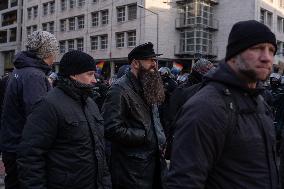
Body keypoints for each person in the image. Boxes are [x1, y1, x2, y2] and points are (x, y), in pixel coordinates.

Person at [167, 20, 279, 189]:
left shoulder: (259, 101)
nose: (267, 58)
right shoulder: (206, 107)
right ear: (234, 55)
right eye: (257, 48)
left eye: (271, 50)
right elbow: (184, 181)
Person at [17, 50, 111, 189]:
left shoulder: (90, 103)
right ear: (73, 74)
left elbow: (99, 152)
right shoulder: (48, 105)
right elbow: (30, 156)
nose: (94, 80)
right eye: (90, 74)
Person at [102, 42, 167, 189]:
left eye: (155, 61)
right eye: (150, 60)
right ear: (136, 63)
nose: (154, 65)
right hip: (131, 171)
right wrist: (143, 135)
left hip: (153, 163)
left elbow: (154, 119)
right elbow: (110, 127)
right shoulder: (119, 89)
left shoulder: (148, 85)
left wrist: (160, 138)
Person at [0, 30, 58, 189]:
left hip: (13, 144)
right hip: (22, 148)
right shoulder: (34, 76)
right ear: (47, 52)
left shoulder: (21, 71)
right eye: (54, 51)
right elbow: (38, 117)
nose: (56, 56)